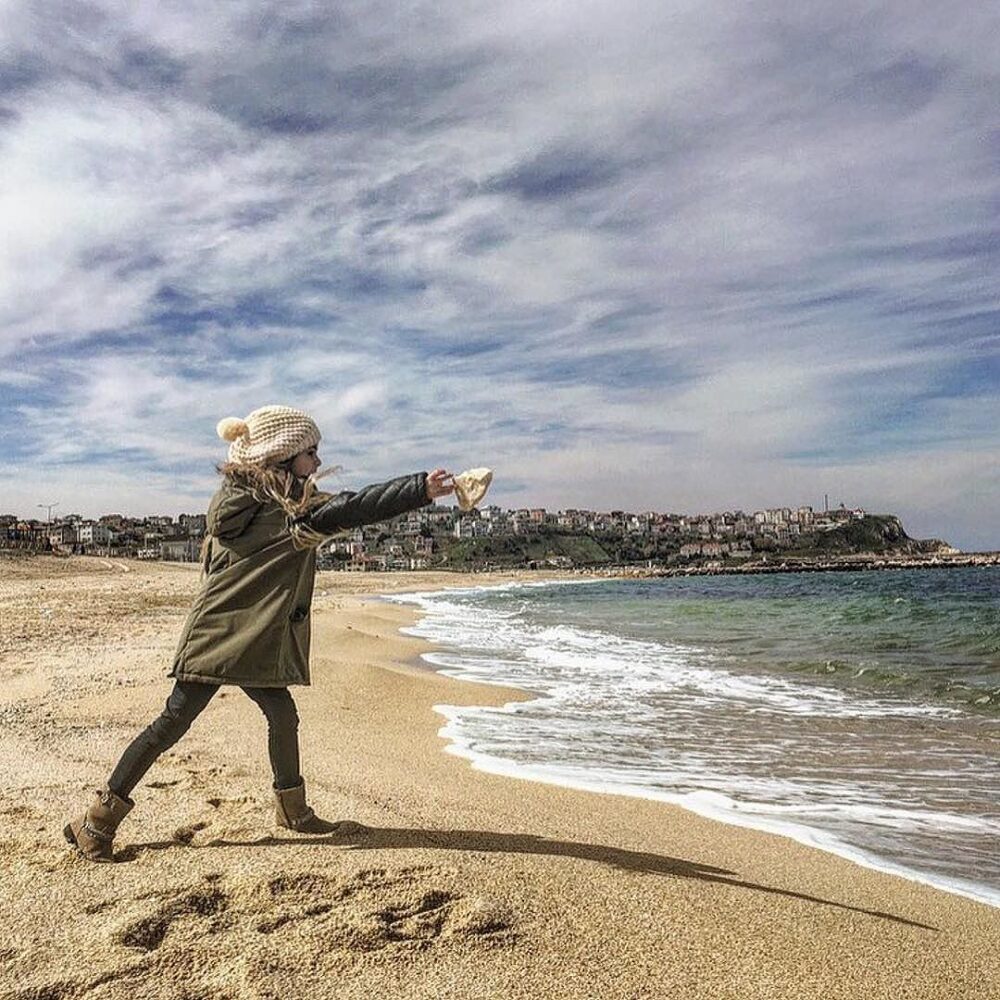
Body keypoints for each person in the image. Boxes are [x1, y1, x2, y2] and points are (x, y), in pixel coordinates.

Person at [65, 405, 454, 861]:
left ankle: (293, 812)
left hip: (246, 636)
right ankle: (96, 820)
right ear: (283, 455)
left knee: (281, 715)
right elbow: (355, 507)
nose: (316, 461)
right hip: (221, 636)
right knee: (173, 721)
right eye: (311, 452)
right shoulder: (290, 511)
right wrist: (419, 490)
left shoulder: (244, 501)